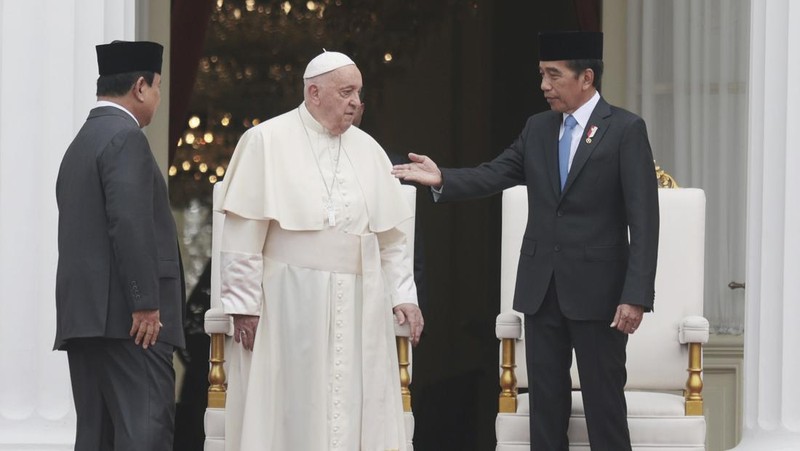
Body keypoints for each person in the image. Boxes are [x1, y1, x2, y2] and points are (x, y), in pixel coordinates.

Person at [393, 31, 659, 450]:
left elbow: (644, 220)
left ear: (586, 77)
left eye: (553, 75)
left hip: (600, 295)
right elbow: (495, 172)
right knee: (545, 412)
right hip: (542, 291)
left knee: (604, 409)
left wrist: (636, 294)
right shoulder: (537, 128)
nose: (544, 86)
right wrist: (442, 177)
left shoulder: (625, 129)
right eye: (541, 74)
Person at [217, 50, 424, 450]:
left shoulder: (370, 150)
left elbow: (392, 239)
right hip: (290, 301)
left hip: (361, 303)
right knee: (295, 404)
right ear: (314, 93)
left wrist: (404, 296)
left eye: (359, 93)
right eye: (346, 92)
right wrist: (244, 304)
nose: (355, 102)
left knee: (354, 402)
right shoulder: (265, 140)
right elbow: (243, 231)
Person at [54, 41, 185, 451]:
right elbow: (128, 221)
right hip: (133, 325)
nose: (159, 98)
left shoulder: (80, 144)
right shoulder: (125, 137)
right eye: (159, 87)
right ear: (141, 87)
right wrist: (144, 301)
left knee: (97, 439)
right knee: (144, 435)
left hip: (88, 322)